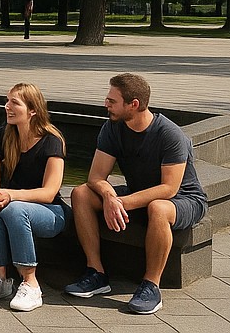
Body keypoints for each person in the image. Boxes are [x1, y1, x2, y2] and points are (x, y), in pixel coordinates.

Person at [65, 73, 208, 316]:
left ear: (134, 104)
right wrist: (109, 197)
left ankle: (151, 286)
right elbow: (96, 177)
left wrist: (120, 202)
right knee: (81, 194)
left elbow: (169, 188)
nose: (106, 104)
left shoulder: (170, 134)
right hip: (139, 192)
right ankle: (96, 272)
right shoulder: (112, 128)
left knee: (158, 207)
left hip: (184, 199)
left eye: (112, 101)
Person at [0, 83, 66, 312]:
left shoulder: (51, 141)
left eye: (15, 102)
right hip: (11, 206)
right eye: (7, 101)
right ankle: (0, 279)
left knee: (15, 209)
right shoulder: (0, 137)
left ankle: (31, 284)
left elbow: (49, 193)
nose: (7, 106)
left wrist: (11, 195)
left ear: (33, 110)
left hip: (51, 213)